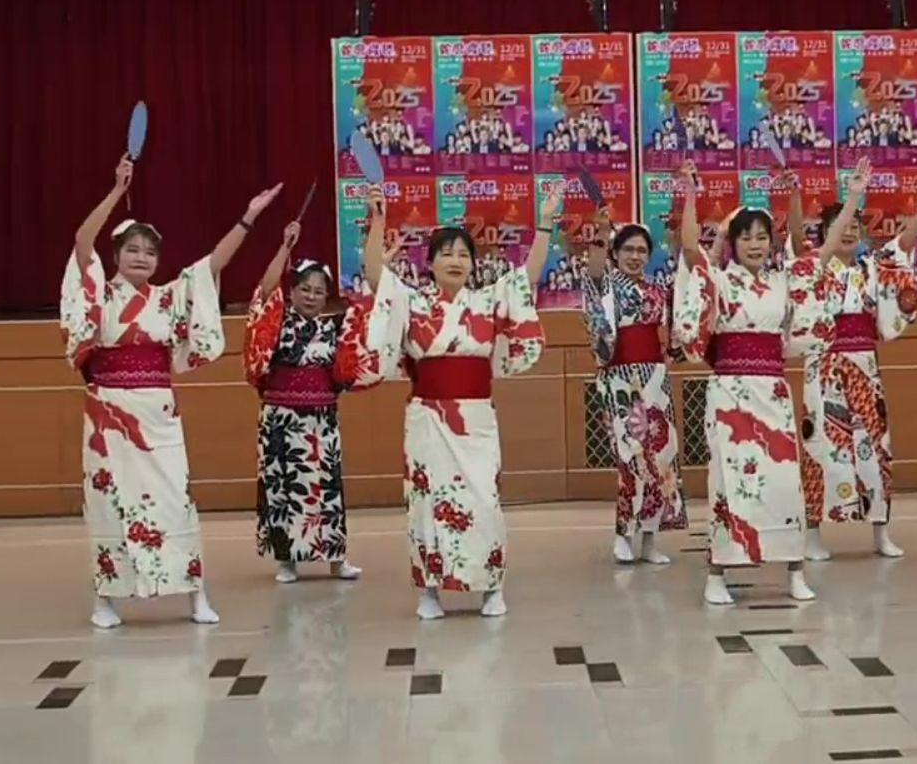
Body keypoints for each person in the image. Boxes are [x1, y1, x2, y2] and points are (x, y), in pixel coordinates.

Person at [60, 156, 281, 628]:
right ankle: (107, 598)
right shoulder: (100, 294)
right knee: (110, 501)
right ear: (116, 255)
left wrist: (249, 217)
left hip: (159, 413)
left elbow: (214, 263)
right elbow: (82, 241)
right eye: (132, 249)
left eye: (150, 252)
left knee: (174, 499)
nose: (141, 257)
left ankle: (194, 593)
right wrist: (117, 191)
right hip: (108, 414)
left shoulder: (168, 298)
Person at [358, 182, 560, 619]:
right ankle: (429, 591)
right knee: (426, 501)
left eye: (463, 254)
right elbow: (376, 276)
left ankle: (491, 587)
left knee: (484, 500)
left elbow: (528, 276)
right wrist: (378, 219)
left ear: (473, 264)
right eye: (446, 253)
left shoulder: (488, 301)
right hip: (427, 420)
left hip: (476, 420)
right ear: (429, 263)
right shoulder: (412, 302)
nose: (455, 260)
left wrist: (545, 223)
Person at [671, 160, 868, 606]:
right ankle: (717, 573)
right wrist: (690, 193)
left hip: (774, 393)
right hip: (730, 393)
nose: (756, 244)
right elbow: (690, 249)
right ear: (734, 244)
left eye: (762, 237)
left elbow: (826, 249)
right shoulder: (719, 281)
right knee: (729, 482)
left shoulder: (785, 281)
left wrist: (854, 195)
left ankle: (794, 569)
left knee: (783, 483)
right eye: (747, 237)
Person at [794, 170, 917, 561]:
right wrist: (799, 196)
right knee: (821, 447)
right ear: (826, 233)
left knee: (875, 447)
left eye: (854, 227)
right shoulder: (815, 264)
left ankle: (881, 531)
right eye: (840, 226)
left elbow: (902, 246)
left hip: (865, 364)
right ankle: (813, 532)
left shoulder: (872, 268)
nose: (848, 233)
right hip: (824, 364)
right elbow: (795, 240)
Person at [244, 221, 374, 584]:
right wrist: (285, 246)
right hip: (280, 420)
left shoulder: (335, 327)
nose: (312, 296)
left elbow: (366, 313)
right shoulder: (276, 321)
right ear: (292, 291)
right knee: (282, 488)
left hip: (321, 421)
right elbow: (264, 291)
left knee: (326, 487)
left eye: (319, 291)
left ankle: (336, 559)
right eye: (304, 289)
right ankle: (287, 560)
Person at [582, 210, 687, 565]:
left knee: (661, 458)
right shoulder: (606, 285)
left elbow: (671, 333)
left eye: (642, 250)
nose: (635, 256)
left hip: (655, 378)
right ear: (615, 252)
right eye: (627, 249)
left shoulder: (657, 290)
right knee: (629, 458)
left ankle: (650, 540)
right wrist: (601, 229)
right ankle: (623, 534)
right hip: (620, 378)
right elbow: (594, 269)